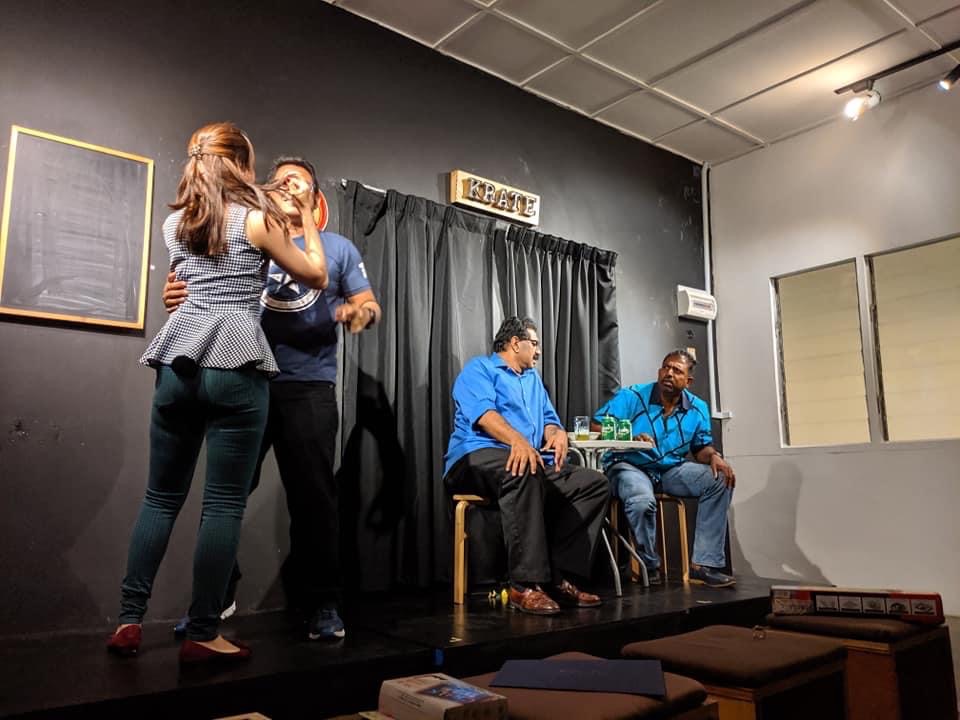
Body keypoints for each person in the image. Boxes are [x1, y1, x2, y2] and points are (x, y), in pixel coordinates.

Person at [108, 123, 329, 663]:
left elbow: (183, 286)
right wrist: (306, 219)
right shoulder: (257, 219)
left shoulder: (174, 223)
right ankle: (204, 632)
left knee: (159, 497)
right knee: (223, 502)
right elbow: (317, 275)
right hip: (236, 358)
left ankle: (129, 621)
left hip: (178, 357)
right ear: (240, 164)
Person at [163, 156, 381, 641]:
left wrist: (359, 313)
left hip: (308, 387)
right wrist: (173, 295)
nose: (286, 185)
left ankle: (322, 603)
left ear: (315, 198)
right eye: (279, 180)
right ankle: (214, 599)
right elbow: (197, 285)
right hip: (246, 378)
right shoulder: (245, 235)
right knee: (225, 494)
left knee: (314, 500)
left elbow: (368, 304)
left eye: (297, 181)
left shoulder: (337, 249)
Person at [443, 317, 610, 614]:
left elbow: (549, 421)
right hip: (474, 457)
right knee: (524, 467)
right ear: (514, 343)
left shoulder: (533, 381)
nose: (539, 351)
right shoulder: (479, 369)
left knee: (594, 483)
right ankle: (523, 585)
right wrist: (518, 441)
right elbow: (484, 415)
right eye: (534, 344)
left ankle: (557, 576)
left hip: (529, 460)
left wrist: (557, 434)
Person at [593, 349, 736, 588]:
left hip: (670, 469)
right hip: (630, 464)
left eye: (676, 370)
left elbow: (700, 448)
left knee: (720, 479)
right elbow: (597, 425)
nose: (668, 373)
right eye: (665, 367)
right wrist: (630, 437)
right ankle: (649, 565)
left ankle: (704, 565)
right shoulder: (632, 396)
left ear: (688, 381)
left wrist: (714, 456)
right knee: (641, 501)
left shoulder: (698, 408)